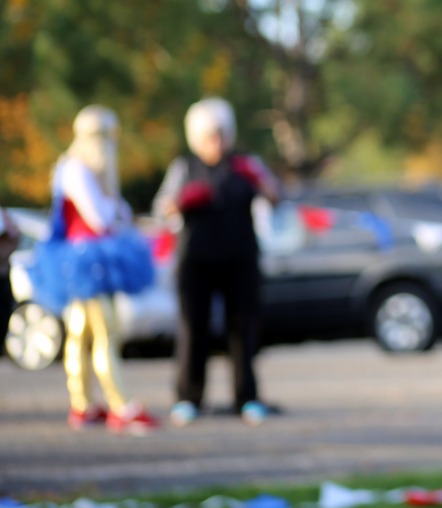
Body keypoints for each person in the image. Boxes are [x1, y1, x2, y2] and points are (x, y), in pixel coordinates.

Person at [27, 105, 160, 434]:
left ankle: (83, 404)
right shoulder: (77, 170)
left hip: (83, 257)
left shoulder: (74, 168)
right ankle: (119, 404)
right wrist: (116, 210)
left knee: (81, 332)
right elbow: (101, 217)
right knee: (104, 331)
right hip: (87, 260)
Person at [153, 97, 280, 427]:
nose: (217, 142)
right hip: (196, 260)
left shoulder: (246, 164)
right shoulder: (185, 168)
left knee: (243, 330)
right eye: (210, 136)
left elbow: (276, 197)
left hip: (240, 259)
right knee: (193, 329)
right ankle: (188, 398)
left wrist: (259, 179)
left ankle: (247, 398)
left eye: (221, 134)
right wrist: (181, 201)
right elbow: (162, 208)